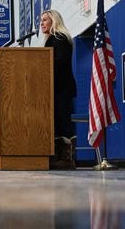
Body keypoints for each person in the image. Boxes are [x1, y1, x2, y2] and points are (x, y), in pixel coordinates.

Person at [41, 9, 77, 169]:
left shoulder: (60, 38)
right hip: (53, 88)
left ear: (54, 21)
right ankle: (57, 157)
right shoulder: (51, 39)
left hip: (61, 87)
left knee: (63, 121)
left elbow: (60, 62)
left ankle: (67, 159)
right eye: (41, 20)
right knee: (56, 121)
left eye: (45, 20)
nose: (41, 23)